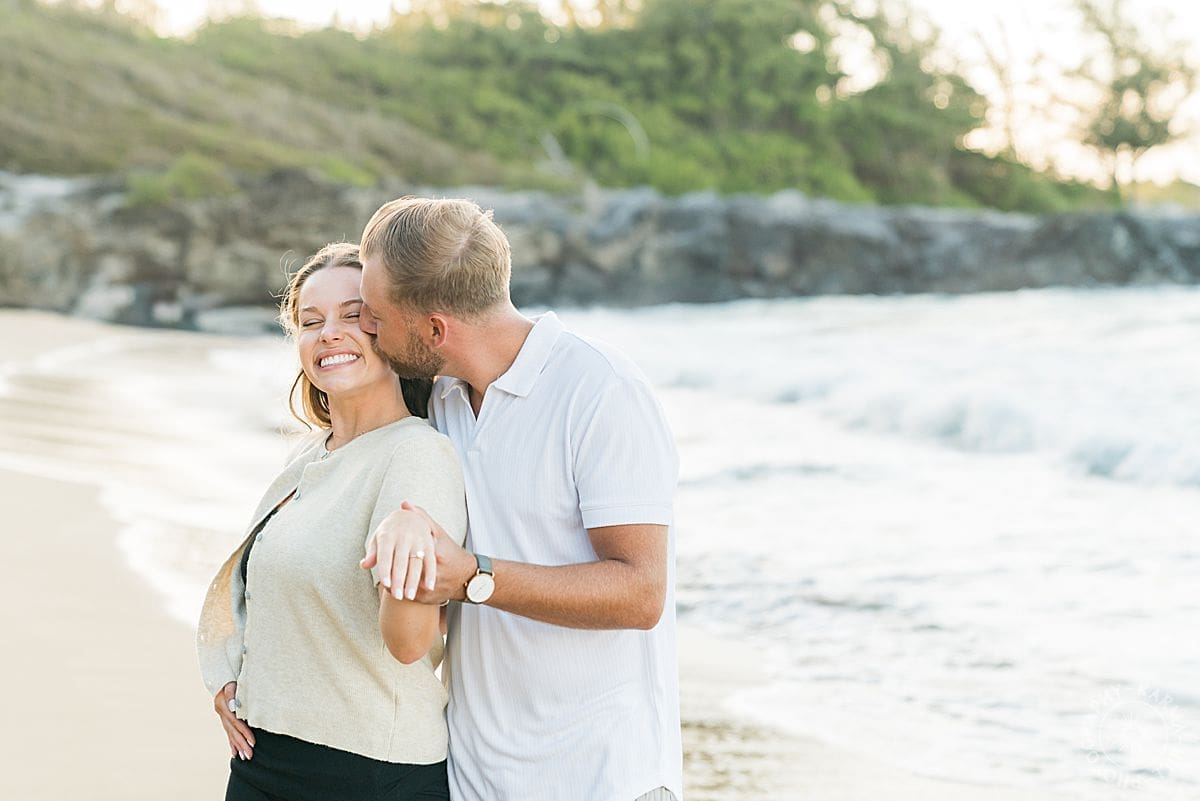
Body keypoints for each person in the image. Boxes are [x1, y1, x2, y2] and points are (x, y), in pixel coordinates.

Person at [355, 197, 682, 801]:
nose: (366, 328)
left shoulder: (600, 392)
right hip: (473, 777)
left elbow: (640, 592)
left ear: (435, 329)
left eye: (374, 314)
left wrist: (472, 576)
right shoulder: (440, 400)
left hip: (601, 779)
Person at [196, 242, 468, 801]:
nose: (329, 333)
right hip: (263, 756)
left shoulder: (416, 453)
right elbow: (261, 590)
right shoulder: (309, 458)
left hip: (366, 771)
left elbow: (410, 642)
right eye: (310, 321)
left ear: (392, 328)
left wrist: (409, 568)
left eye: (354, 316)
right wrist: (230, 677)